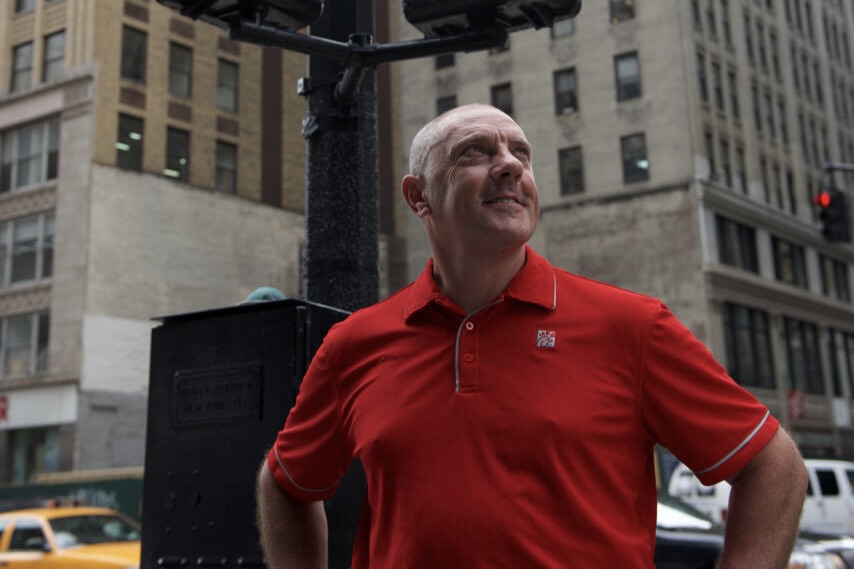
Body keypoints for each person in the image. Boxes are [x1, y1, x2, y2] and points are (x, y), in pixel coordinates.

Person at [256, 103, 807, 568]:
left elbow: (773, 465)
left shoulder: (632, 326)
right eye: (476, 151)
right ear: (418, 195)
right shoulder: (355, 343)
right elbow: (286, 483)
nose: (510, 165)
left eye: (520, 152)